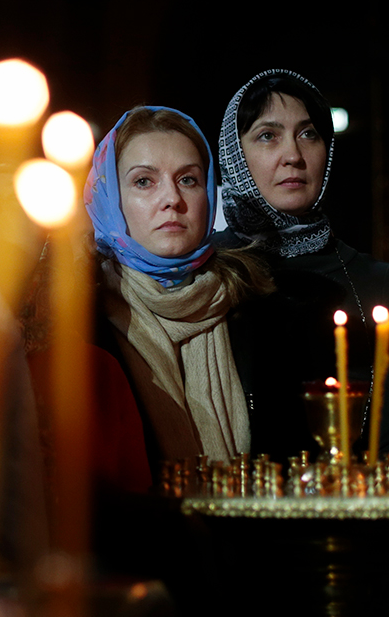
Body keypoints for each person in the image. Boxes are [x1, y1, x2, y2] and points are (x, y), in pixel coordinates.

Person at [215, 68, 389, 457]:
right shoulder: (206, 273)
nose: (293, 156)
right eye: (268, 136)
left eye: (308, 133)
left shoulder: (379, 284)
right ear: (235, 153)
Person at [86, 105, 272, 464]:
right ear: (109, 199)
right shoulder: (79, 316)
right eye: (144, 181)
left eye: (188, 179)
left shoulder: (258, 311)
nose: (172, 199)